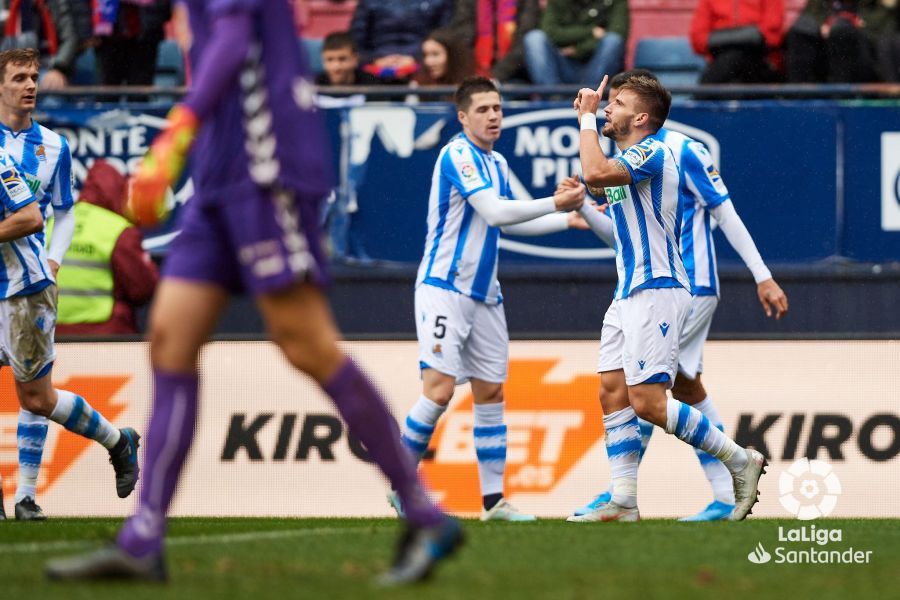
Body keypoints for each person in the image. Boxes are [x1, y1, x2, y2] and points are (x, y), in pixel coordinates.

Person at [46, 0, 461, 585]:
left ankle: (424, 513)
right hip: (219, 174)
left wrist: (176, 131)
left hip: (267, 168)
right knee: (169, 338)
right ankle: (143, 538)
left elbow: (236, 36)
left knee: (307, 343)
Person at [567, 69, 788, 521]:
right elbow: (598, 185)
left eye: (620, 103)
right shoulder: (629, 159)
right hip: (628, 291)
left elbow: (594, 171)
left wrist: (587, 120)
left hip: (659, 290)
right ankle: (624, 499)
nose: (609, 107)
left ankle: (739, 460)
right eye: (609, 103)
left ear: (643, 117)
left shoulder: (654, 152)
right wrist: (587, 210)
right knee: (612, 391)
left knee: (649, 401)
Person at [388, 76, 587, 522]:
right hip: (444, 288)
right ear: (462, 117)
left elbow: (512, 221)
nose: (494, 115)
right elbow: (498, 212)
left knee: (491, 391)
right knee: (438, 391)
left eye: (497, 108)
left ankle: (494, 503)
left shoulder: (494, 162)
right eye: (483, 109)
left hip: (484, 294)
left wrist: (565, 219)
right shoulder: (458, 154)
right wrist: (555, 205)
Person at [0, 48, 140, 522]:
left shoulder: (53, 146)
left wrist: (55, 259)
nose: (30, 85)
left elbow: (60, 210)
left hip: (26, 282)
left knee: (35, 396)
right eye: (19, 77)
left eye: (34, 77)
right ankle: (17, 500)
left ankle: (112, 444)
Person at [54, 159, 159, 336]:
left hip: (52, 336)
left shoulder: (54, 223)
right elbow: (142, 288)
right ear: (119, 190)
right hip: (106, 336)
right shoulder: (118, 229)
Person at [785, 0, 894, 83]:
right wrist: (824, 25)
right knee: (801, 31)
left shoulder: (872, 5)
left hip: (861, 57)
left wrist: (854, 25)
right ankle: (800, 97)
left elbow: (882, 29)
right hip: (823, 52)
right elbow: (811, 16)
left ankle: (841, 98)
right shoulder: (819, 3)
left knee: (841, 32)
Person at [523, 0, 628, 86]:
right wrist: (591, 31)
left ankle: (592, 97)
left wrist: (578, 50)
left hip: (597, 66)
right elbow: (550, 32)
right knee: (534, 38)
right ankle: (552, 97)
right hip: (562, 63)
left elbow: (618, 34)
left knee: (612, 41)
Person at [350, 0, 453, 82]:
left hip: (421, 60)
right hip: (377, 62)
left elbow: (443, 37)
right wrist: (374, 59)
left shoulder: (439, 2)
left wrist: (417, 58)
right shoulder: (368, 2)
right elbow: (357, 38)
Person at [446, 0, 542, 82]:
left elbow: (522, 41)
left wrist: (496, 76)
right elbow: (462, 36)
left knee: (534, 39)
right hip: (474, 73)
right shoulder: (467, 2)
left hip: (515, 76)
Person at [689, 0, 783, 83]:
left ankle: (697, 99)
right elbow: (698, 40)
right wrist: (748, 36)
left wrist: (720, 39)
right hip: (722, 67)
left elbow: (771, 35)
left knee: (734, 56)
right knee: (731, 59)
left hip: (759, 65)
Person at [0, 0, 81, 89]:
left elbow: (69, 39)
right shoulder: (5, 3)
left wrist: (58, 68)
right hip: (11, 68)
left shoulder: (56, 3)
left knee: (51, 99)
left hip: (47, 67)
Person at [315, 31, 380, 87]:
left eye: (342, 59)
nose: (336, 67)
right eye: (330, 60)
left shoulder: (373, 86)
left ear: (355, 59)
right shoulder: (314, 85)